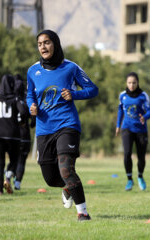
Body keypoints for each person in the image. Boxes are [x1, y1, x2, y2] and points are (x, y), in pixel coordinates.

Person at [26, 30, 98, 221]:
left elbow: (93, 89)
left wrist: (74, 94)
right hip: (44, 129)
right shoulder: (33, 71)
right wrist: (31, 106)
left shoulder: (71, 67)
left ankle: (82, 212)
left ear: (55, 44)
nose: (43, 47)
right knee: (50, 178)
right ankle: (67, 186)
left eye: (47, 42)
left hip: (68, 125)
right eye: (40, 44)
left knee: (66, 168)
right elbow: (30, 94)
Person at [0, 74, 27, 196]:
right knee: (14, 160)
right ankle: (8, 177)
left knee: (0, 163)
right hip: (12, 135)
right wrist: (21, 122)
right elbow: (23, 112)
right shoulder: (15, 99)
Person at [115, 72, 150, 191]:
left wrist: (144, 117)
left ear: (138, 83)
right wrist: (118, 125)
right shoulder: (122, 95)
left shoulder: (143, 96)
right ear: (126, 83)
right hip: (127, 128)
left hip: (141, 130)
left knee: (141, 157)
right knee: (127, 153)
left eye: (134, 83)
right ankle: (129, 180)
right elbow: (120, 110)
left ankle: (140, 176)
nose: (131, 85)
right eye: (129, 83)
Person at [13, 74, 35, 190]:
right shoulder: (28, 98)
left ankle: (7, 176)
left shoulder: (8, 98)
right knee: (22, 160)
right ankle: (17, 183)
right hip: (25, 134)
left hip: (13, 134)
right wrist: (32, 123)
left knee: (13, 159)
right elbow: (33, 114)